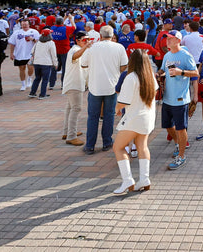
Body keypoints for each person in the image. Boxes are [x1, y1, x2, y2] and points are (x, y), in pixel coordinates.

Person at [112, 49, 159, 194]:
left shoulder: (131, 77)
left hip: (134, 118)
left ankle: (127, 180)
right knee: (142, 146)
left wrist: (117, 109)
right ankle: (144, 179)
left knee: (118, 147)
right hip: (148, 118)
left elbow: (123, 101)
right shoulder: (150, 75)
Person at [79, 25, 129, 155]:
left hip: (95, 86)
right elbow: (124, 65)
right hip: (112, 86)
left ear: (100, 36)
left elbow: (83, 64)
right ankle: (107, 142)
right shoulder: (119, 47)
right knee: (109, 116)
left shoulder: (92, 47)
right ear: (113, 36)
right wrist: (116, 71)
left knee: (93, 117)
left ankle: (90, 145)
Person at [160, 30, 198, 170]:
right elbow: (162, 69)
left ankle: (181, 156)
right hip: (167, 98)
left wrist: (180, 72)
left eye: (170, 39)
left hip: (180, 99)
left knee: (181, 128)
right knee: (168, 126)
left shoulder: (185, 55)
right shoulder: (167, 55)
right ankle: (177, 143)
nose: (167, 41)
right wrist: (157, 74)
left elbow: (195, 73)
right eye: (167, 38)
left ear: (178, 40)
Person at [62, 31, 90, 146]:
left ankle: (67, 131)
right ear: (77, 40)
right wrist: (86, 48)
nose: (87, 42)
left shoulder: (79, 50)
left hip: (74, 83)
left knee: (70, 108)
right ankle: (71, 136)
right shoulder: (74, 50)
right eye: (84, 40)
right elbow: (75, 56)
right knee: (76, 108)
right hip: (74, 84)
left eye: (88, 40)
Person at [8, 20, 40, 91]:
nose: (24, 26)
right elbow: (12, 43)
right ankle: (23, 84)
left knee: (30, 68)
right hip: (20, 54)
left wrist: (33, 39)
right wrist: (11, 53)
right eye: (23, 25)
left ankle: (29, 79)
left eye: (26, 24)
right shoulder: (17, 33)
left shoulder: (34, 32)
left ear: (29, 24)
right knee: (21, 68)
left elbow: (39, 42)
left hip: (30, 54)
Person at [29, 29, 57, 99]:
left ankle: (32, 92)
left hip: (37, 62)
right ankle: (42, 94)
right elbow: (54, 55)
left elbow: (32, 51)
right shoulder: (51, 43)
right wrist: (55, 64)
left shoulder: (38, 42)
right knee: (45, 79)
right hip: (46, 63)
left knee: (37, 78)